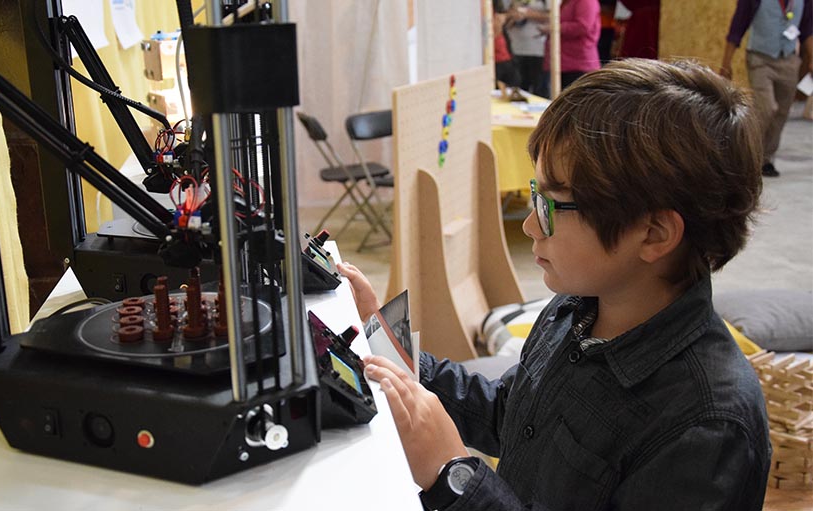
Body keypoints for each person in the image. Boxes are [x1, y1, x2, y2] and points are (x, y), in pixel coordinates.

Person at [337, 58, 770, 510]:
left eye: (550, 207)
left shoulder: (707, 425)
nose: (528, 226)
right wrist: (382, 342)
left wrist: (453, 474)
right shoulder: (576, 309)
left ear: (654, 233)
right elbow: (511, 412)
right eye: (533, 196)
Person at [721, 0, 813, 177]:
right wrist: (727, 63)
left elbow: (808, 29)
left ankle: (766, 159)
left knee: (782, 112)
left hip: (789, 61)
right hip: (760, 59)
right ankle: (747, 154)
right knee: (766, 107)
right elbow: (737, 28)